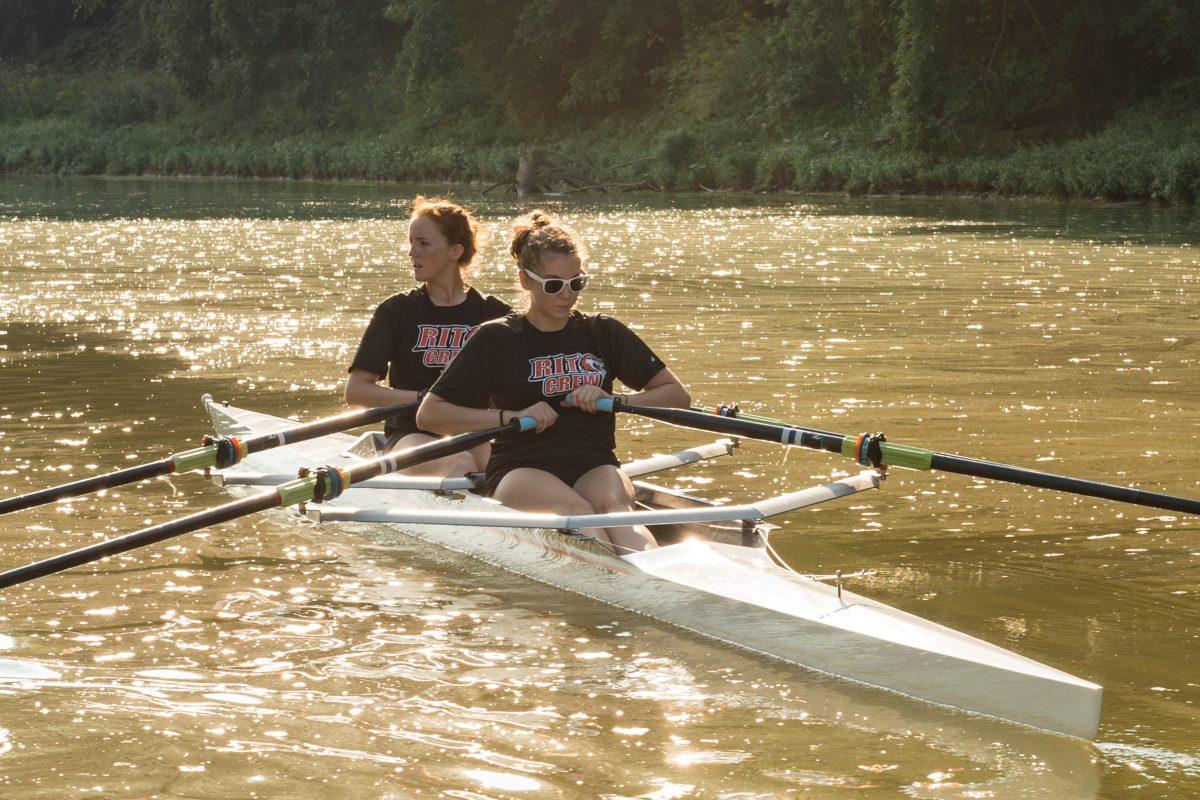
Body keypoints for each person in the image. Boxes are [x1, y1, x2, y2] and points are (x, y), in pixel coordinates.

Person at [416, 211, 690, 553]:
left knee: (617, 513)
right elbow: (430, 415)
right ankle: (620, 583)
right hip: (522, 468)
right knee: (579, 514)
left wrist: (616, 400)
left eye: (576, 283)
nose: (566, 295)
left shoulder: (604, 331)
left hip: (593, 462)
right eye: (554, 284)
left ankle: (657, 579)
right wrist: (512, 418)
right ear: (525, 280)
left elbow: (676, 395)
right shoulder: (496, 338)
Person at [346, 196, 511, 475]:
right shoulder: (396, 310)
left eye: (423, 243)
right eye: (411, 243)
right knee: (460, 463)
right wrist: (425, 399)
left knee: (504, 465)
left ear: (455, 251)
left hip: (472, 431)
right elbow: (357, 391)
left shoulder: (494, 313)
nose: (412, 252)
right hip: (410, 433)